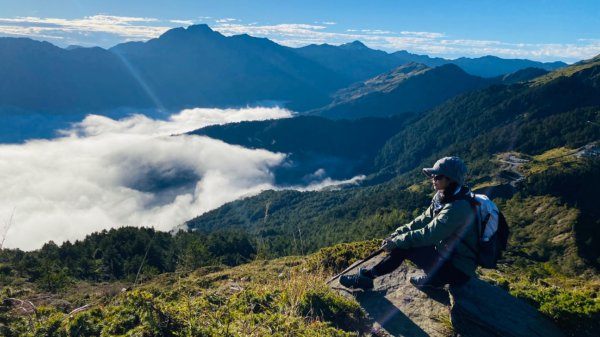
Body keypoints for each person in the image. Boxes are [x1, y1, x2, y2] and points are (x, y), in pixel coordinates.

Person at [340, 156, 478, 290]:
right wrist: (397, 234)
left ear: (450, 180)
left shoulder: (458, 207)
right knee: (404, 241)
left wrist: (398, 241)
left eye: (437, 177)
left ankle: (367, 277)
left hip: (458, 270)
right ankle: (434, 279)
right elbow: (423, 220)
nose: (432, 179)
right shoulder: (443, 196)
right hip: (447, 255)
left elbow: (430, 234)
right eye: (432, 176)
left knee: (405, 246)